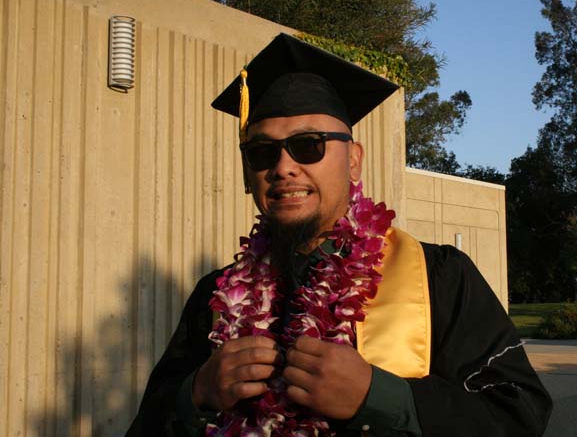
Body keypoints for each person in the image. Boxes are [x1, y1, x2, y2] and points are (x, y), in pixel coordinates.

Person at [125, 33, 552, 437]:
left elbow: (519, 415)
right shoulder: (214, 299)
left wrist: (381, 397)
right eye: (262, 152)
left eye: (309, 145)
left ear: (353, 161)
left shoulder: (440, 278)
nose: (283, 167)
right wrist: (196, 394)